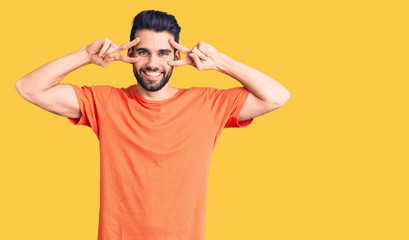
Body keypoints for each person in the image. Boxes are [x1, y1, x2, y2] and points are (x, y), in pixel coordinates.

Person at [15, 10, 290, 240]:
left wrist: (220, 62)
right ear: (131, 52)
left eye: (163, 53)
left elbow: (277, 96)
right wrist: (86, 56)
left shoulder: (207, 104)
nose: (152, 63)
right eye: (144, 52)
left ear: (176, 56)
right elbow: (29, 88)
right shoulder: (105, 101)